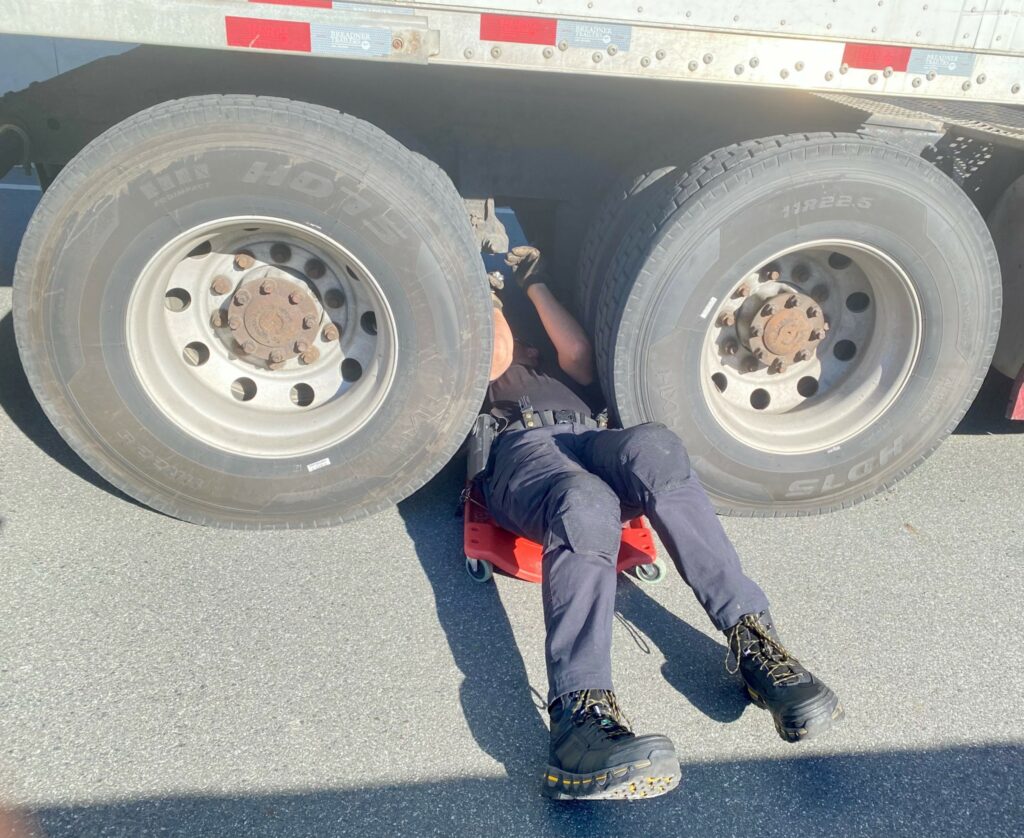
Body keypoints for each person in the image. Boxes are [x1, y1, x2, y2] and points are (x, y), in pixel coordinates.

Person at [482, 246, 843, 802]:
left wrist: (531, 281)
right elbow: (495, 355)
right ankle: (578, 724)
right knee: (585, 502)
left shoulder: (548, 334)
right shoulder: (481, 329)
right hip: (522, 446)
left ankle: (754, 641)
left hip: (586, 433)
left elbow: (577, 354)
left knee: (656, 446)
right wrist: (487, 293)